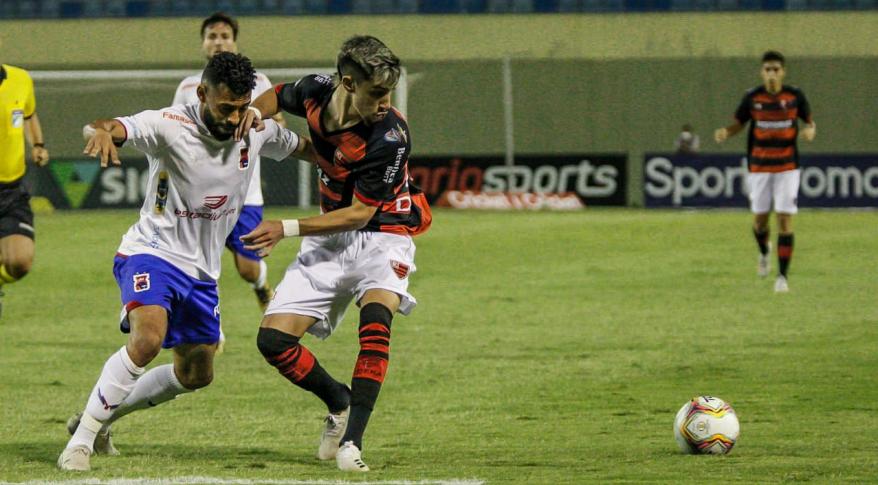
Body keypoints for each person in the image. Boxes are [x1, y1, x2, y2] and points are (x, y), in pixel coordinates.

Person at [58, 52, 307, 472]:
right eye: (224, 108)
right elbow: (109, 126)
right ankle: (78, 445)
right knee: (148, 338)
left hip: (202, 273)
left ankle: (100, 419)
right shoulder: (169, 125)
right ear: (202, 93)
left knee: (196, 373)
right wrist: (99, 132)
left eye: (241, 107)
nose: (233, 118)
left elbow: (308, 150)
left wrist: (357, 162)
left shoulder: (255, 130)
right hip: (151, 251)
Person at [235, 35, 431, 472]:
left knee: (376, 323)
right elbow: (278, 95)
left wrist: (285, 228)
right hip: (330, 238)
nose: (386, 103)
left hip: (384, 234)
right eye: (377, 93)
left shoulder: (390, 135)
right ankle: (338, 400)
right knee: (273, 340)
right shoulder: (314, 91)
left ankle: (352, 443)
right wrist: (253, 112)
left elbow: (360, 214)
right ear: (347, 83)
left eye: (389, 93)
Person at [173, 12, 284, 315]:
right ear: (203, 44)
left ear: (234, 42)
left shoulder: (258, 82)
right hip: (197, 193)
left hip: (243, 193)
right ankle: (209, 328)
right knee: (195, 262)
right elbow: (175, 132)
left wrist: (271, 119)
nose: (218, 42)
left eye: (224, 37)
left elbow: (276, 120)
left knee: (248, 266)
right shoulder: (187, 88)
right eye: (212, 37)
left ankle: (261, 285)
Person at [714, 50, 815, 293]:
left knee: (784, 218)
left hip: (787, 167)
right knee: (760, 221)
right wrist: (727, 132)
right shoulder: (752, 97)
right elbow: (739, 123)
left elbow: (809, 122)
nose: (771, 74)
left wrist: (811, 130)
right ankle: (764, 251)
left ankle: (782, 277)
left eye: (776, 70)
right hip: (759, 167)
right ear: (762, 72)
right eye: (767, 70)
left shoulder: (795, 96)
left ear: (783, 72)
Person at [0, 62, 49, 318]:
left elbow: (28, 115)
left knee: (20, 262)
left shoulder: (20, 79)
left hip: (11, 190)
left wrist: (38, 144)